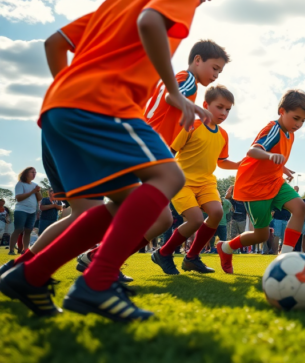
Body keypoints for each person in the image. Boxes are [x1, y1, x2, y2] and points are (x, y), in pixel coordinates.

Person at [0, 0, 228, 320]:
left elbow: (54, 42)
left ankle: (30, 275)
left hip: (58, 110)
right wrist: (174, 92)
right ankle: (96, 282)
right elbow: (150, 23)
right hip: (104, 104)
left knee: (112, 207)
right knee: (169, 179)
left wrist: (69, 92)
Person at [73, 39, 232, 278]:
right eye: (215, 68)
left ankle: (99, 257)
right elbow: (170, 97)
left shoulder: (185, 81)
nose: (217, 75)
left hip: (150, 149)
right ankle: (95, 256)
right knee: (145, 215)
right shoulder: (187, 80)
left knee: (159, 219)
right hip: (149, 150)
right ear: (197, 60)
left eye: (220, 71)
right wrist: (194, 110)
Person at [216, 89, 305, 273]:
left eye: (303, 120)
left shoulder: (290, 134)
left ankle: (284, 258)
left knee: (300, 207)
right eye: (296, 118)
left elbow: (276, 156)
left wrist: (281, 166)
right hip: (254, 187)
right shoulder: (273, 129)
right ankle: (225, 248)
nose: (299, 124)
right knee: (260, 235)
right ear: (282, 111)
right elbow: (253, 151)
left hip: (274, 181)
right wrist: (270, 156)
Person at [151, 85, 239, 274]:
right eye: (220, 107)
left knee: (216, 213)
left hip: (207, 182)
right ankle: (163, 253)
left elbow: (221, 162)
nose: (224, 113)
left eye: (228, 110)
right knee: (196, 220)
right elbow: (171, 151)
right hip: (182, 181)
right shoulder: (192, 125)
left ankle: (191, 258)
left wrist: (241, 164)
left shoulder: (223, 135)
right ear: (206, 105)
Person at [9, 167, 41, 256]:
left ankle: (25, 249)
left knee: (28, 231)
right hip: (21, 210)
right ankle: (11, 249)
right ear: (26, 173)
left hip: (32, 211)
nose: (34, 174)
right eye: (32, 172)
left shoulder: (35, 184)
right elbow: (18, 198)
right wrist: (32, 191)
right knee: (18, 229)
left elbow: (40, 198)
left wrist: (37, 191)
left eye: (35, 172)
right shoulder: (20, 184)